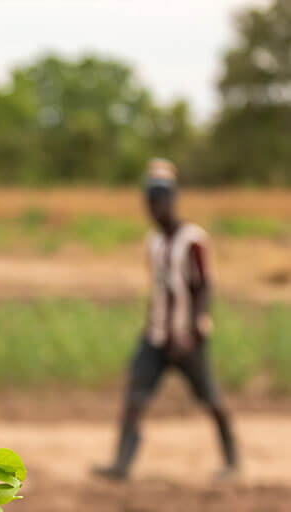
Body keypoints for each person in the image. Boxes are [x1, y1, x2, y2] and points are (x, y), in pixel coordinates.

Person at [94, 159, 238, 481]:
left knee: (210, 397)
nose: (153, 208)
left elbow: (203, 286)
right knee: (135, 395)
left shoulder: (192, 240)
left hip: (189, 338)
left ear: (172, 200)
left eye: (159, 201)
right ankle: (121, 464)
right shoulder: (154, 242)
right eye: (149, 201)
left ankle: (232, 460)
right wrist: (150, 328)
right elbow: (158, 291)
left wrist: (193, 328)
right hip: (156, 336)